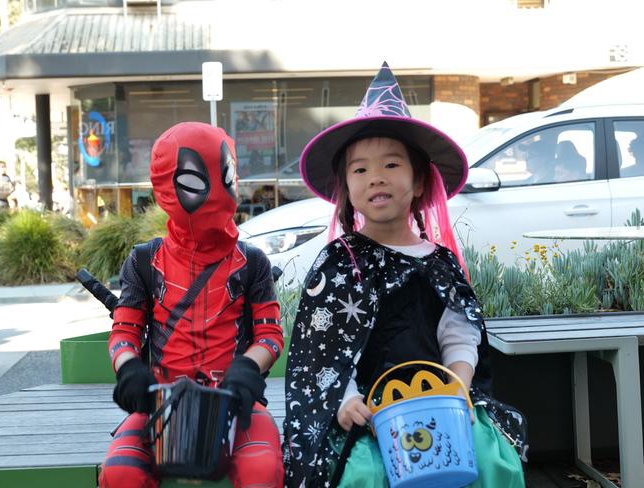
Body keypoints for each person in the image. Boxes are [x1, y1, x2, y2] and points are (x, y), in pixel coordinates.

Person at [283, 63, 527, 488]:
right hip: (369, 416)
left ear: (418, 183)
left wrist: (459, 387)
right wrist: (346, 402)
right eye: (360, 169)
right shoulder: (341, 264)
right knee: (367, 474)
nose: (375, 176)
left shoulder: (440, 262)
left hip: (440, 403)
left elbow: (460, 334)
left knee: (490, 459)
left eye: (391, 164)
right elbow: (321, 353)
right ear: (347, 186)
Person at [99, 123, 284, 488]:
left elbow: (270, 334)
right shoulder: (143, 262)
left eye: (225, 176)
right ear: (168, 186)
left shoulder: (252, 262)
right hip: (160, 402)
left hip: (234, 402)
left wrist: (248, 367)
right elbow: (124, 331)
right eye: (197, 181)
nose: (216, 191)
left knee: (262, 471)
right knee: (120, 473)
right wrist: (130, 367)